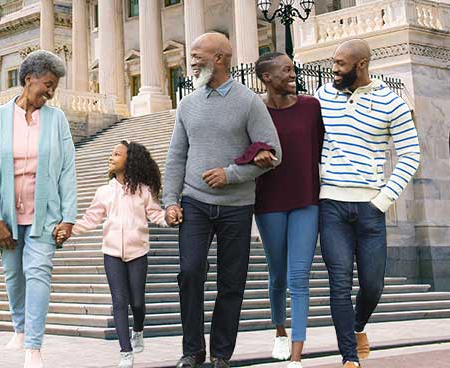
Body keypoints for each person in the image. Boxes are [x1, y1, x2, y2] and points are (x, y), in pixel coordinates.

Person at [162, 32, 282, 368]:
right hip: (194, 203)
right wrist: (170, 200)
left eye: (198, 55)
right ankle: (192, 351)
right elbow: (176, 156)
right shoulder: (187, 103)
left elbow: (273, 153)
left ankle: (220, 354)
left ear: (219, 58)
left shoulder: (249, 102)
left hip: (237, 207)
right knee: (189, 272)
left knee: (232, 281)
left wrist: (231, 174)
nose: (193, 60)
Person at [317, 39, 421, 368]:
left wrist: (383, 199)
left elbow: (411, 154)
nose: (334, 69)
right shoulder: (321, 97)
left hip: (371, 208)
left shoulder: (392, 103)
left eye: (340, 64)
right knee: (339, 283)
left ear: (361, 65)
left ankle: (358, 326)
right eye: (333, 63)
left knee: (373, 285)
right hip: (331, 204)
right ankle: (350, 358)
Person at [0, 50, 77, 368]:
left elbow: (67, 170)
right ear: (28, 79)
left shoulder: (56, 119)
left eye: (54, 87)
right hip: (6, 214)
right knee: (13, 276)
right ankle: (20, 328)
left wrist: (69, 217)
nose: (50, 92)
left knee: (38, 274)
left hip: (44, 214)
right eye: (47, 84)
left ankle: (33, 347)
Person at [67, 141, 168, 368]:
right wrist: (69, 229)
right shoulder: (104, 192)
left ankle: (138, 330)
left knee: (138, 303)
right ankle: (125, 351)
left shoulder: (143, 190)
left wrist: (169, 218)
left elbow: (155, 215)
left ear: (129, 159)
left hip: (138, 253)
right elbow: (90, 219)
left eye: (116, 154)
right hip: (112, 253)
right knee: (120, 302)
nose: (111, 157)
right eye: (111, 154)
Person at [254, 52, 324, 368]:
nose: (293, 74)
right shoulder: (255, 111)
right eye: (287, 70)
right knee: (277, 273)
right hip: (268, 202)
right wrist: (255, 156)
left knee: (299, 275)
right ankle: (280, 330)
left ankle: (296, 355)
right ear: (267, 77)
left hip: (306, 200)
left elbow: (322, 148)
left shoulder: (311, 107)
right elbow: (243, 147)